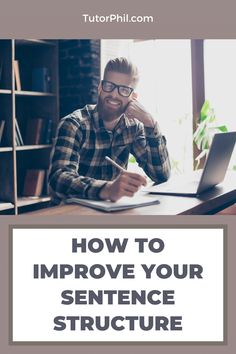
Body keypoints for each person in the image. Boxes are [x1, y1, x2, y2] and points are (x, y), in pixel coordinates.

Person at [49, 57, 171, 205]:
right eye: (109, 86)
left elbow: (161, 175)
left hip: (109, 211)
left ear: (133, 98)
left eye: (124, 90)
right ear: (100, 88)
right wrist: (106, 189)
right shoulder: (74, 124)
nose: (114, 95)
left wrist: (150, 123)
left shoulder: (133, 127)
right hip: (69, 213)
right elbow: (58, 179)